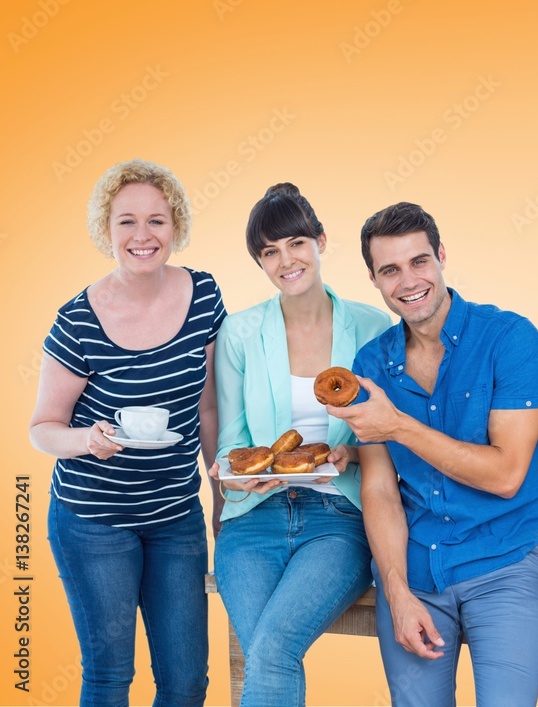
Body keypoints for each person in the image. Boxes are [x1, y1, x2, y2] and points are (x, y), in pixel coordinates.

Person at [326, 202, 538, 707]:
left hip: (503, 559)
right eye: (390, 270)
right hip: (416, 570)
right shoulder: (371, 363)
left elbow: (506, 475)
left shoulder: (510, 338)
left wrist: (399, 426)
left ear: (441, 256)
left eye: (419, 262)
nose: (408, 281)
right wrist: (397, 592)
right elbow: (381, 489)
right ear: (374, 279)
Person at [28, 159, 225, 706]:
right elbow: (42, 429)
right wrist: (86, 439)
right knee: (111, 678)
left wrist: (219, 498)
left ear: (175, 227)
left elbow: (209, 407)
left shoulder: (204, 295)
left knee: (186, 684)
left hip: (175, 519)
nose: (143, 236)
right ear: (106, 230)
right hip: (93, 522)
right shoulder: (78, 321)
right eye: (127, 222)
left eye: (157, 221)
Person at [210, 183, 391, 707]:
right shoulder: (240, 334)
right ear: (260, 262)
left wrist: (352, 453)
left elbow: (393, 428)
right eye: (270, 252)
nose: (286, 260)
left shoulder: (372, 327)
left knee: (271, 651)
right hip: (254, 517)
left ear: (320, 242)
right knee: (268, 653)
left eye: (295, 243)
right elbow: (232, 444)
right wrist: (236, 475)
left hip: (340, 517)